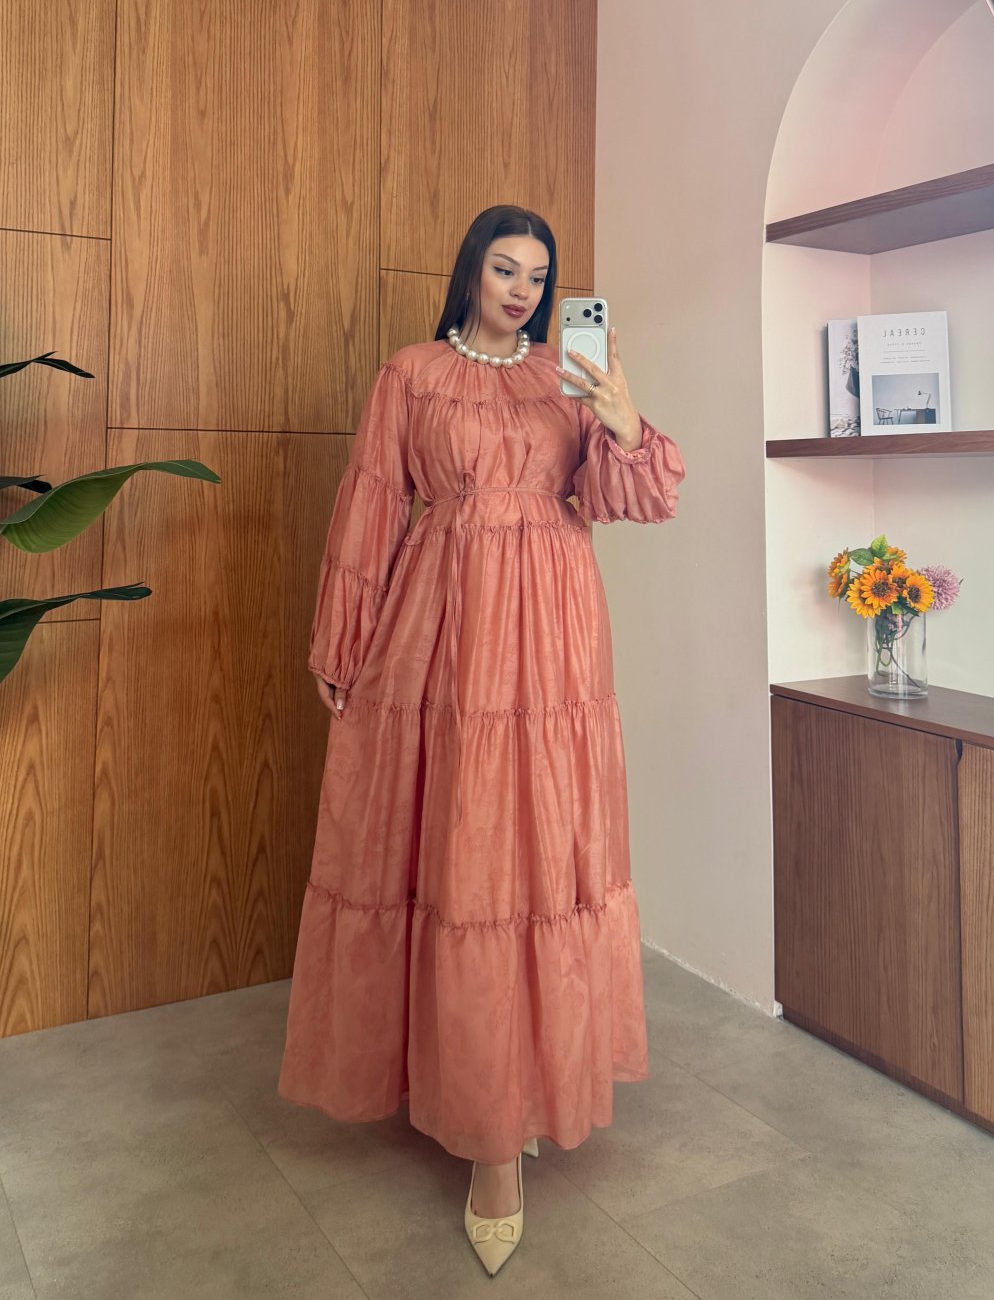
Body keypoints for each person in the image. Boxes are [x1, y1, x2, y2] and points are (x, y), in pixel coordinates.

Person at [278, 204, 685, 1276]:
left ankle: (526, 1087)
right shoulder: (410, 374)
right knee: (461, 854)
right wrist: (341, 636)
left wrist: (622, 416)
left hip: (553, 634)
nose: (521, 289)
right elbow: (373, 502)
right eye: (504, 268)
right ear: (469, 272)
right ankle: (484, 1129)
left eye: (537, 276)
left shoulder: (568, 374)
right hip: (444, 628)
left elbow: (633, 497)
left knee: (538, 854)